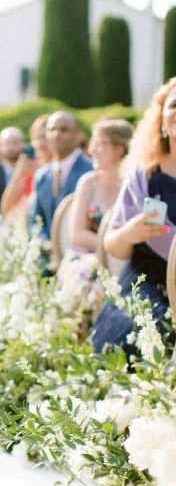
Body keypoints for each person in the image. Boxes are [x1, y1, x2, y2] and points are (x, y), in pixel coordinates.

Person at [93, 78, 176, 354]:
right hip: (146, 284)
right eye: (174, 105)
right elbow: (112, 244)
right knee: (155, 338)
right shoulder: (144, 176)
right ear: (162, 122)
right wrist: (129, 232)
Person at [68, 119, 133, 256]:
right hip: (87, 259)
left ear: (119, 149)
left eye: (99, 144)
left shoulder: (135, 185)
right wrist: (112, 246)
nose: (91, 150)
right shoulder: (88, 183)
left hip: (124, 262)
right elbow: (76, 234)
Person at [30, 111, 93, 239]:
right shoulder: (42, 176)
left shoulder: (91, 171)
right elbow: (35, 220)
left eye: (64, 130)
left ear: (77, 136)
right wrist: (44, 244)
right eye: (52, 129)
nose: (57, 135)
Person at [0, 114, 52, 217]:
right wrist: (18, 175)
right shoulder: (29, 168)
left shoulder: (59, 169)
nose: (41, 143)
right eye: (37, 138)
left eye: (45, 137)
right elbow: (6, 209)